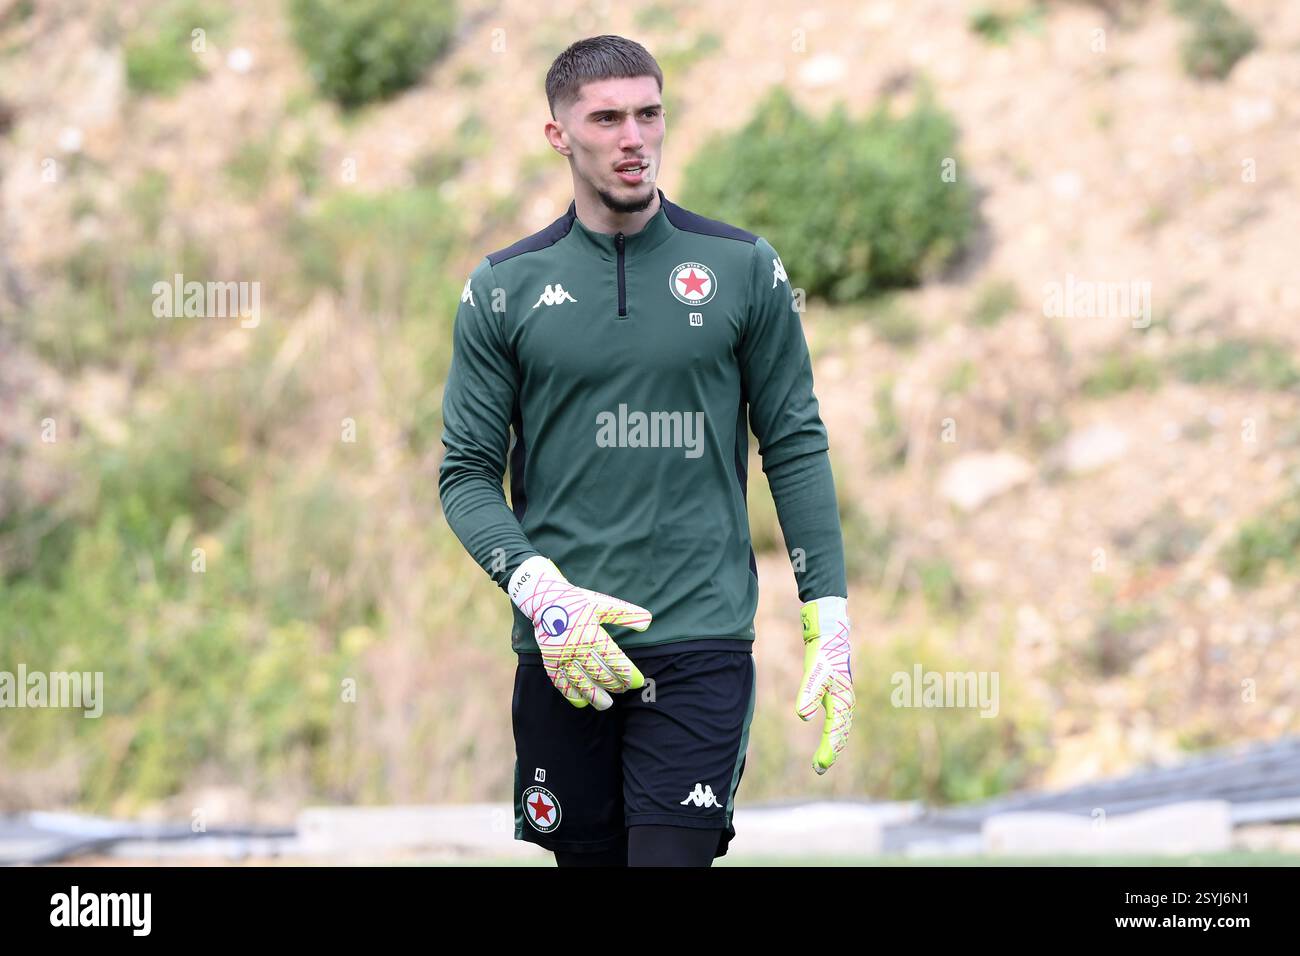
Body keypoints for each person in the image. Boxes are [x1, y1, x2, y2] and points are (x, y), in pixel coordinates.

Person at [438, 34, 853, 867]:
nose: (635, 137)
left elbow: (795, 444)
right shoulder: (503, 288)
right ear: (559, 134)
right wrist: (537, 590)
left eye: (649, 114)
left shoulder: (742, 268)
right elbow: (465, 475)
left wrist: (828, 608)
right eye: (607, 118)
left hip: (700, 636)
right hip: (563, 645)